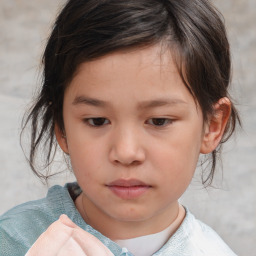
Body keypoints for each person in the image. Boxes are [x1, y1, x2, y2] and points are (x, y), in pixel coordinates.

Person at [0, 0, 240, 255]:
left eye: (159, 121)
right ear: (61, 126)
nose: (126, 153)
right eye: (97, 121)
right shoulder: (13, 239)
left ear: (212, 126)